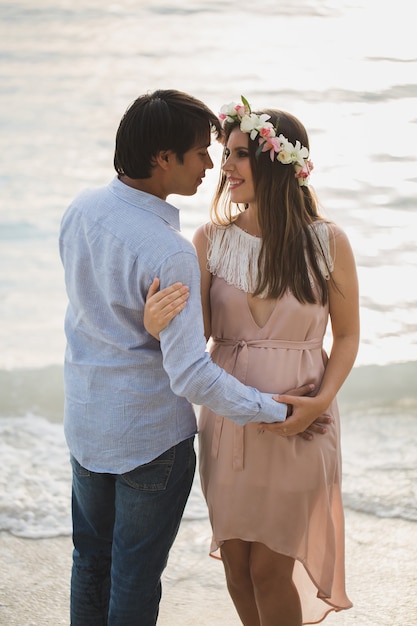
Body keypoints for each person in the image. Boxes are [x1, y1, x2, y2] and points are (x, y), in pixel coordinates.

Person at [58, 89, 320, 626]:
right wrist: (279, 411)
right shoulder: (169, 248)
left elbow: (92, 313)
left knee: (89, 564)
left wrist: (148, 326)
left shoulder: (80, 210)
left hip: (85, 428)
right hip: (150, 444)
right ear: (163, 159)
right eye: (202, 152)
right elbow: (191, 374)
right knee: (132, 575)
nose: (212, 164)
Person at [144, 97, 359, 625]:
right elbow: (197, 337)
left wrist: (319, 404)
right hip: (228, 422)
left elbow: (349, 336)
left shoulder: (326, 241)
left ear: (277, 164)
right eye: (225, 154)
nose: (226, 166)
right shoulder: (210, 241)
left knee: (269, 568)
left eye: (240, 154)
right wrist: (155, 324)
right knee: (237, 567)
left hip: (300, 424)